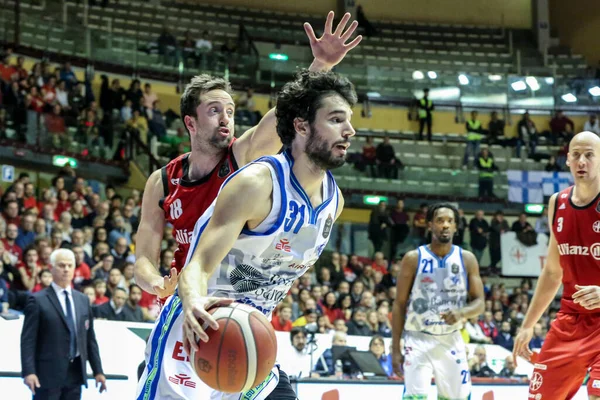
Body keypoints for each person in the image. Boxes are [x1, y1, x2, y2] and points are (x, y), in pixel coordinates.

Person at [136, 67, 356, 400]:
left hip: (251, 331)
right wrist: (186, 295)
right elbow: (196, 266)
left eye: (230, 111)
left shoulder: (333, 201)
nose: (350, 131)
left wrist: (320, 66)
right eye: (337, 120)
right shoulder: (252, 183)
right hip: (198, 322)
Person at [133, 11, 362, 303]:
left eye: (230, 111)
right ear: (190, 122)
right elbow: (142, 259)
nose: (226, 119)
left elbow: (282, 114)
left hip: (237, 298)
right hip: (187, 298)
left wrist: (322, 65)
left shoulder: (242, 155)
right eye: (214, 111)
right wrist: (155, 283)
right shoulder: (162, 180)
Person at [513, 131, 600, 400]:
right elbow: (552, 271)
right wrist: (528, 325)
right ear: (567, 161)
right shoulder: (557, 203)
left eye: (589, 155)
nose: (581, 161)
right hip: (571, 320)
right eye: (576, 155)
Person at [391, 203, 485, 400]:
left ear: (456, 227)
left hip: (451, 338)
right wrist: (395, 348)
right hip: (418, 338)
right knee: (415, 397)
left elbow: (480, 303)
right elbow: (399, 304)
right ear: (430, 225)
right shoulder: (413, 258)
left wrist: (462, 313)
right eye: (440, 221)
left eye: (450, 221)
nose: (445, 225)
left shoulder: (467, 259)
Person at [20, 249, 106, 399]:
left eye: (69, 265)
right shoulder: (38, 300)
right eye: (61, 265)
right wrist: (29, 371)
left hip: (75, 372)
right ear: (51, 268)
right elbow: (28, 340)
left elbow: (89, 339)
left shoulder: (83, 300)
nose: (66, 269)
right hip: (47, 374)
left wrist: (98, 371)